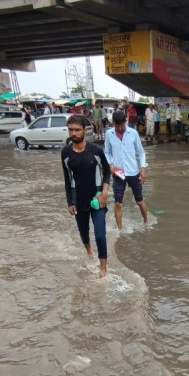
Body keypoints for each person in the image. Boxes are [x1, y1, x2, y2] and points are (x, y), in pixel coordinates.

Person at [61, 115, 111, 278]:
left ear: (85, 130)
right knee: (84, 231)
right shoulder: (65, 153)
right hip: (78, 200)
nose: (73, 133)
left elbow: (107, 172)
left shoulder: (96, 151)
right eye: (70, 130)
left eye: (77, 130)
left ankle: (103, 269)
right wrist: (70, 202)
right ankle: (89, 253)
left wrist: (104, 193)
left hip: (97, 199)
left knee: (100, 234)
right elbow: (67, 180)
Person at [104, 110, 148, 230]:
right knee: (118, 203)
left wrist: (143, 169)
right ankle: (120, 230)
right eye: (117, 126)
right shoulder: (109, 134)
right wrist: (110, 165)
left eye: (122, 125)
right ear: (113, 123)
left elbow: (141, 152)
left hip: (133, 172)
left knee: (139, 201)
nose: (120, 128)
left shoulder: (133, 133)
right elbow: (107, 152)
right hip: (118, 173)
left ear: (126, 121)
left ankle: (146, 222)